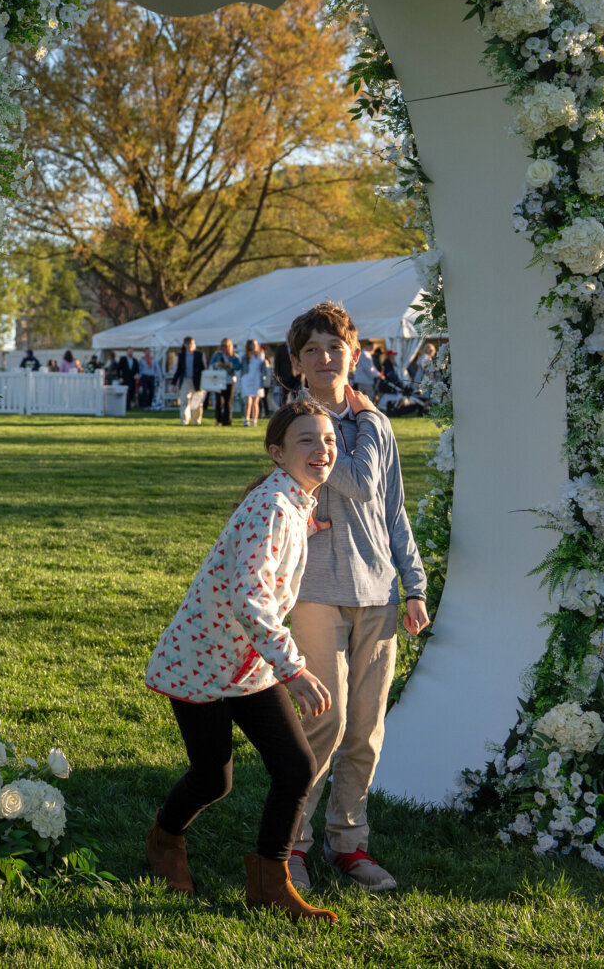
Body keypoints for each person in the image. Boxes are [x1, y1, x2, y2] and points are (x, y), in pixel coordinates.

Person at [142, 398, 339, 924]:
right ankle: (165, 838)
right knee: (213, 778)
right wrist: (294, 670)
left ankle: (269, 882)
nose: (322, 449)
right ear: (277, 452)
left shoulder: (292, 503)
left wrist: (312, 527)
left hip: (248, 663)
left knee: (295, 767)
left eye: (328, 440)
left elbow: (275, 548)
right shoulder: (272, 506)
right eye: (306, 440)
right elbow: (249, 597)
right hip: (202, 663)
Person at [284, 302, 429, 894]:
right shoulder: (296, 422)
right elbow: (354, 481)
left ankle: (348, 842)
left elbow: (390, 504)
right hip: (317, 591)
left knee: (366, 730)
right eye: (313, 350)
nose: (325, 358)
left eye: (334, 348)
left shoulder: (379, 425)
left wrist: (413, 584)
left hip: (378, 593)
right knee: (327, 720)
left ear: (355, 354)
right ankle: (289, 843)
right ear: (296, 363)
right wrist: (361, 424)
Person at [169, 337, 205, 427]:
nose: (189, 345)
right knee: (184, 400)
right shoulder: (181, 355)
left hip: (197, 380)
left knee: (197, 401)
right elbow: (179, 370)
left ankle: (196, 421)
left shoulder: (199, 355)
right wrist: (174, 383)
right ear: (185, 345)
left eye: (191, 343)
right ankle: (184, 420)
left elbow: (204, 368)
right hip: (186, 379)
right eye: (188, 344)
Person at [209, 338, 241, 428]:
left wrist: (230, 364)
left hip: (229, 380)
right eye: (222, 345)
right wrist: (217, 364)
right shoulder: (216, 355)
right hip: (219, 379)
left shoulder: (234, 356)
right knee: (218, 401)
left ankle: (227, 421)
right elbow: (211, 365)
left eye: (225, 346)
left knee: (228, 401)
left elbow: (239, 366)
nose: (224, 348)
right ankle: (218, 419)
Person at [241, 340, 268, 429]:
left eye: (254, 345)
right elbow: (242, 367)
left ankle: (255, 420)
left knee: (255, 401)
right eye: (251, 345)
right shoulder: (245, 356)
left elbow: (264, 368)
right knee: (248, 401)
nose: (253, 346)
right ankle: (246, 420)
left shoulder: (261, 354)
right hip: (247, 379)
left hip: (257, 379)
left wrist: (263, 379)